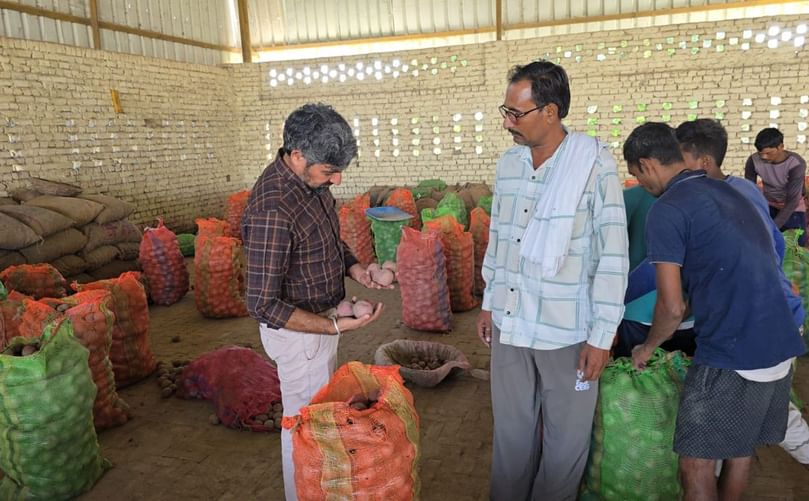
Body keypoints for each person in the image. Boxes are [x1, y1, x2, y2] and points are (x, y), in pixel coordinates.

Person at [625, 122, 806, 500]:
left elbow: (672, 307)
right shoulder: (734, 191)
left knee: (695, 462)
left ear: (647, 164)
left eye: (636, 176)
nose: (641, 184)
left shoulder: (669, 208)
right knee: (738, 449)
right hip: (781, 339)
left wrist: (647, 347)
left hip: (735, 350)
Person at [477, 59, 628, 500]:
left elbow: (613, 255)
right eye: (504, 111)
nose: (508, 123)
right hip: (511, 320)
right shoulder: (509, 166)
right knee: (512, 431)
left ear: (551, 111)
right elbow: (499, 240)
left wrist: (602, 335)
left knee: (566, 440)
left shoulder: (593, 166)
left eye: (516, 113)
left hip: (567, 331)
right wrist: (489, 302)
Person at [241, 103, 386, 501]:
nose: (337, 180)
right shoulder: (273, 207)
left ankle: (319, 490)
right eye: (329, 171)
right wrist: (332, 326)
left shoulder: (312, 185)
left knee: (319, 422)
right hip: (300, 335)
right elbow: (262, 304)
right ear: (298, 155)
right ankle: (301, 494)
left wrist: (356, 269)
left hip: (320, 326)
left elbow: (326, 241)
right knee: (303, 427)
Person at [676, 118, 809, 470]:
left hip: (761, 322)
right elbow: (774, 247)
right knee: (760, 413)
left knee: (751, 416)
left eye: (680, 159)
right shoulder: (745, 188)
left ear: (703, 161)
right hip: (781, 311)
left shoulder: (693, 202)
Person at [744, 127, 807, 245]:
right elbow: (750, 190)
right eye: (761, 153)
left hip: (793, 206)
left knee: (797, 247)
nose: (764, 157)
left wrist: (772, 227)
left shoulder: (796, 163)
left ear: (781, 147)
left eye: (768, 153)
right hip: (769, 204)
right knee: (763, 243)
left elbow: (793, 200)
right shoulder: (753, 160)